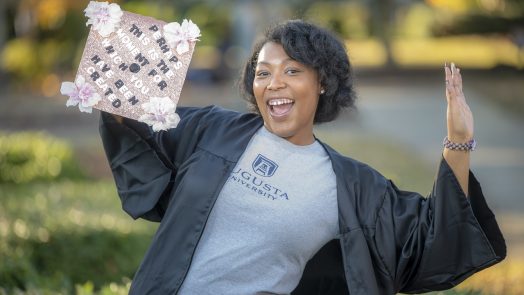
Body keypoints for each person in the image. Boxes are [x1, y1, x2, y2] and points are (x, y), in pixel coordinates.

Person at [99, 20, 506, 295]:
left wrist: (458, 140)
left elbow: (435, 237)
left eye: (292, 71)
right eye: (263, 72)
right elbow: (136, 132)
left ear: (323, 82)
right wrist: (123, 49)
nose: (274, 83)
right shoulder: (213, 130)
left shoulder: (350, 187)